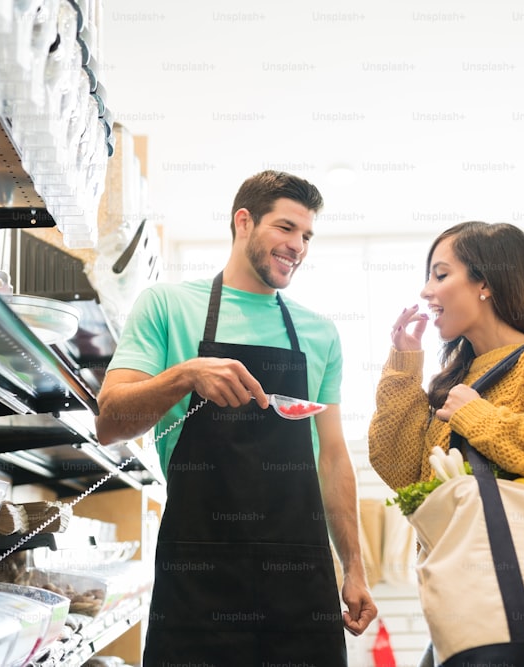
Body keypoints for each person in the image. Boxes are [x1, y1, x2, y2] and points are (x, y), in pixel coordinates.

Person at [96, 170, 377, 665]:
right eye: (286, 228)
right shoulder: (167, 305)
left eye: (307, 235)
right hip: (199, 575)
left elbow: (333, 458)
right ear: (243, 221)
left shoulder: (320, 333)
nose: (298, 246)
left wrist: (355, 566)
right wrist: (184, 375)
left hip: (299, 579)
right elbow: (110, 421)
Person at [368, 220, 524, 499]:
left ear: (485, 283)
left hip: (517, 543)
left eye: (440, 276)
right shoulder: (459, 377)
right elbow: (404, 474)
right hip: (458, 543)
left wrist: (477, 418)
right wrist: (405, 365)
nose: (426, 291)